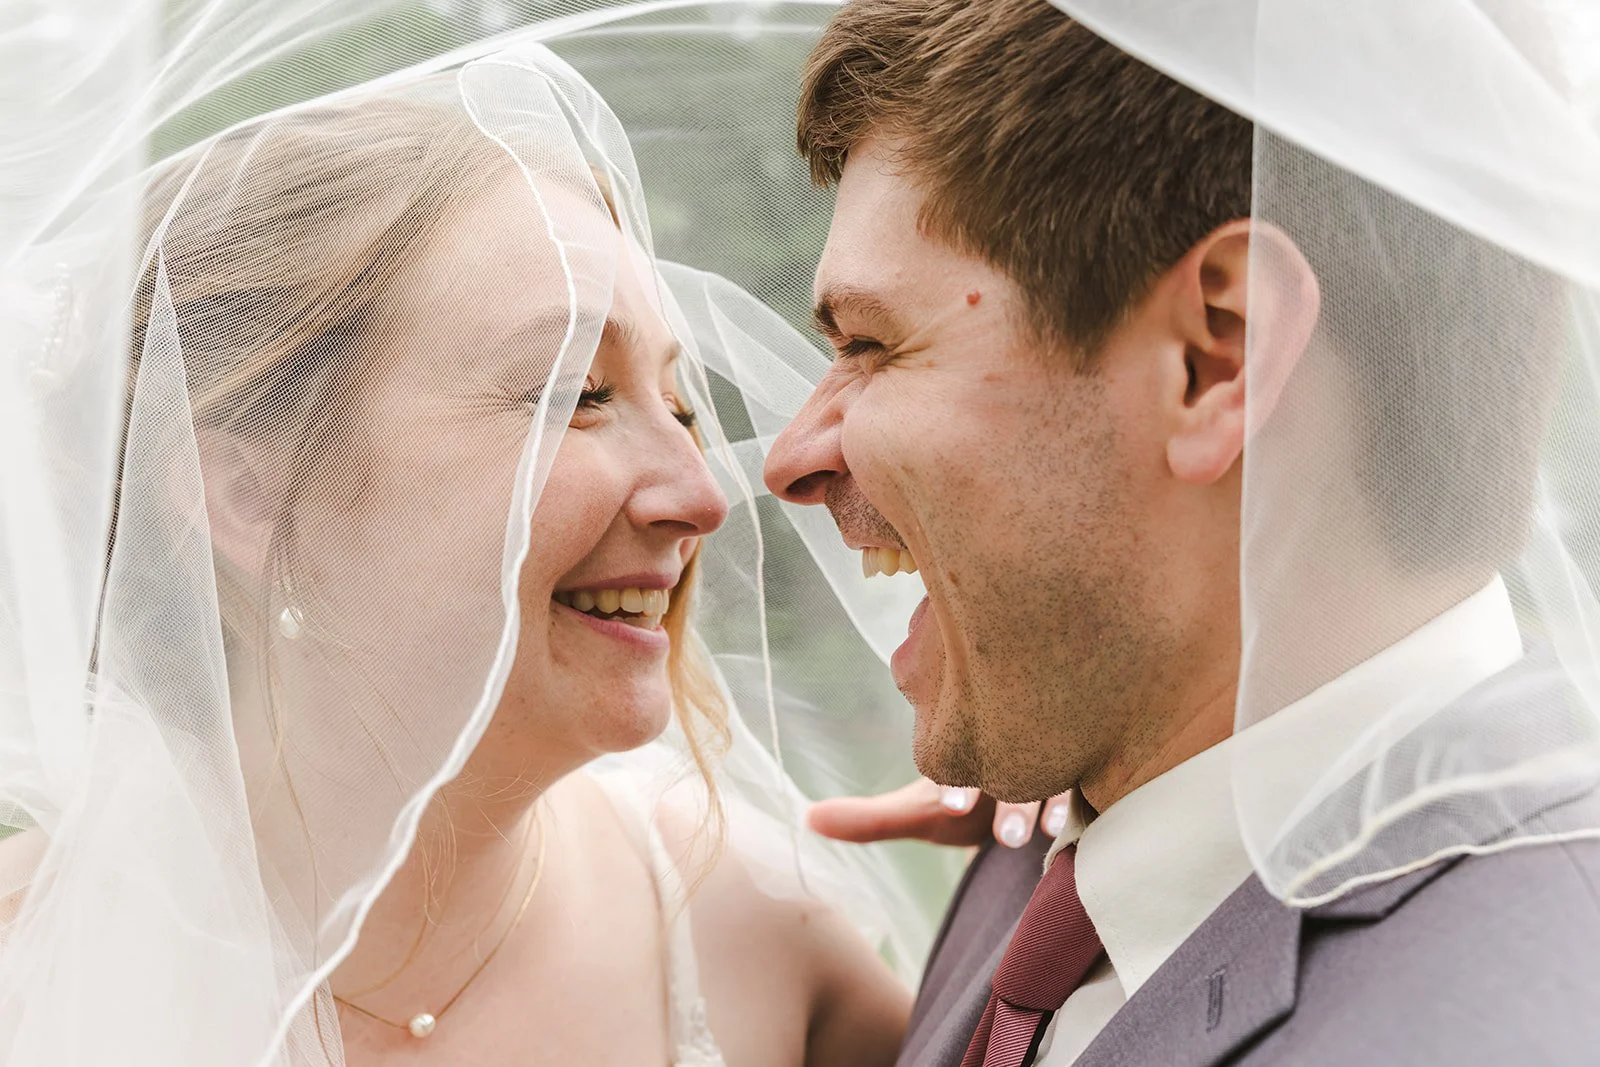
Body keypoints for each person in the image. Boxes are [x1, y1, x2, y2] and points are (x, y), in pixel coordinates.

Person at [0, 44, 914, 1067]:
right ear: (246, 495)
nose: (701, 494)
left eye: (683, 404)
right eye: (575, 395)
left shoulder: (755, 932)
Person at [765, 0, 1600, 1064]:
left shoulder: (1510, 1022)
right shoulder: (1052, 832)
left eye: (873, 344)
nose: (790, 455)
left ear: (1216, 355)